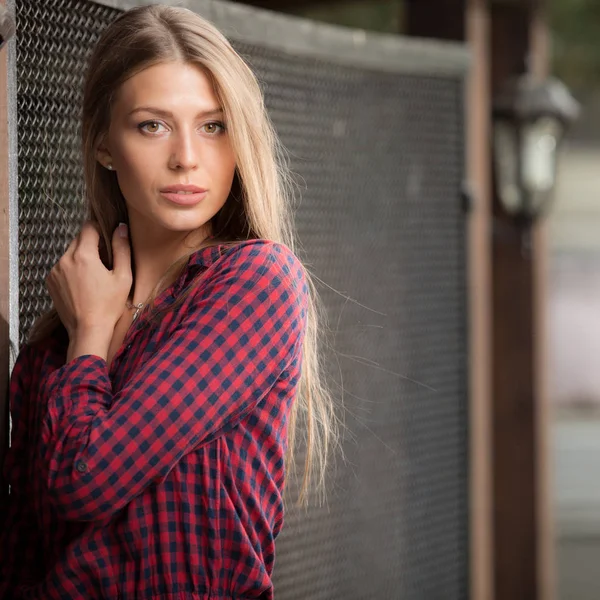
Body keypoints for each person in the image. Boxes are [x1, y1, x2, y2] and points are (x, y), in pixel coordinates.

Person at [0, 5, 338, 599]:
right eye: (152, 125)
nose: (186, 155)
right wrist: (81, 334)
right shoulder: (47, 355)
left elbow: (86, 478)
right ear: (104, 144)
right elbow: (20, 559)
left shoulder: (256, 284)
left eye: (213, 126)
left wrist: (91, 342)